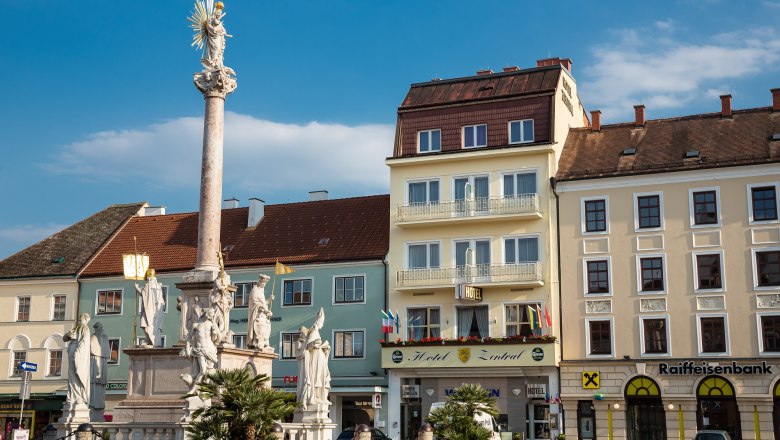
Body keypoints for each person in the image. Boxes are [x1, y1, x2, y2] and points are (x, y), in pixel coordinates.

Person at [297, 308, 331, 410]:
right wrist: (314, 344)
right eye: (321, 322)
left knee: (323, 377)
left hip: (320, 359)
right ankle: (314, 397)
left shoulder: (316, 332)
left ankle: (319, 397)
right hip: (314, 361)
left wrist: (325, 349)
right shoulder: (313, 332)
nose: (322, 324)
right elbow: (307, 347)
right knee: (315, 378)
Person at [180, 309, 220, 394]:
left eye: (213, 315)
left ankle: (203, 389)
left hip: (210, 349)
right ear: (206, 314)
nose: (211, 316)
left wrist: (215, 332)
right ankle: (193, 390)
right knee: (203, 371)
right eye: (211, 314)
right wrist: (187, 348)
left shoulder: (212, 324)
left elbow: (216, 339)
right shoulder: (196, 325)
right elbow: (189, 338)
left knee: (208, 371)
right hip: (199, 350)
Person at [63, 313, 91, 406]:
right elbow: (65, 338)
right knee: (72, 373)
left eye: (83, 318)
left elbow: (84, 342)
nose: (82, 319)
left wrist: (78, 351)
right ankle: (72, 397)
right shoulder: (78, 328)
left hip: (77, 352)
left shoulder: (84, 328)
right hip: (73, 350)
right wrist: (69, 335)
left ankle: (78, 397)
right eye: (82, 318)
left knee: (76, 373)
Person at [135, 268, 166, 347]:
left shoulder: (148, 285)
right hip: (157, 311)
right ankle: (150, 340)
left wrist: (137, 288)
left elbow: (143, 294)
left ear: (148, 277)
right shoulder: (158, 286)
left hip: (149, 310)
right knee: (153, 325)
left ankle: (150, 341)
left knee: (145, 323)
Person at [90, 322, 110, 416]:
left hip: (102, 363)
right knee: (94, 381)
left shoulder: (104, 338)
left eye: (101, 327)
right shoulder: (93, 338)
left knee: (100, 382)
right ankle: (93, 403)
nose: (101, 329)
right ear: (96, 328)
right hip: (95, 362)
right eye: (100, 327)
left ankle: (98, 403)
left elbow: (106, 352)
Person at [247, 274, 272, 348]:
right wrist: (266, 309)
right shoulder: (255, 290)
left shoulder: (261, 291)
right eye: (263, 284)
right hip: (256, 315)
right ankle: (255, 342)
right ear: (259, 282)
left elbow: (262, 303)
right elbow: (255, 303)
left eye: (265, 284)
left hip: (263, 316)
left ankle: (264, 343)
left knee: (265, 326)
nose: (264, 285)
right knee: (258, 328)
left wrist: (269, 300)